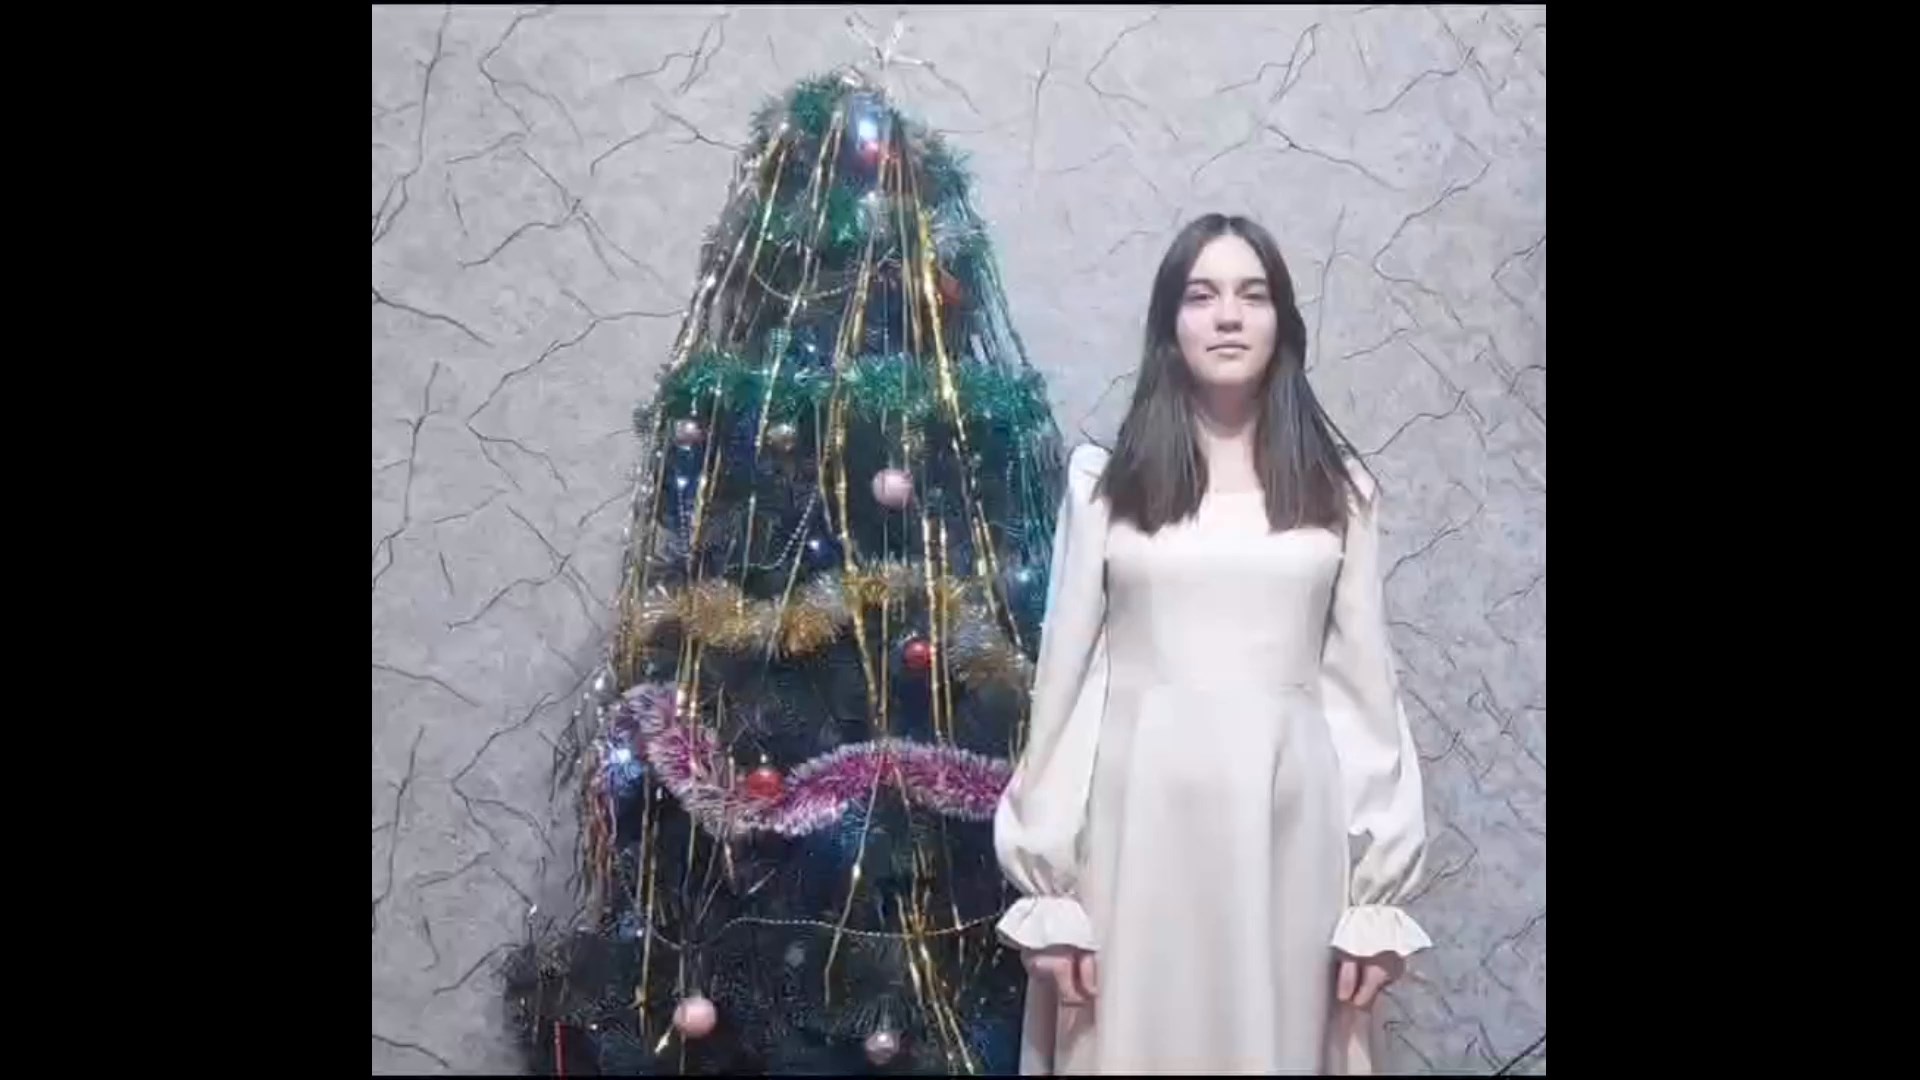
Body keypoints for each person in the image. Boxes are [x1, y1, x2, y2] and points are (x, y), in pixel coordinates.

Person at [992, 213, 1432, 1075]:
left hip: (1287, 836)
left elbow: (1364, 693)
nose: (1228, 315)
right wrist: (1049, 888)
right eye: (1202, 296)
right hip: (1136, 832)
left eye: (1251, 295)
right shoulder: (1104, 488)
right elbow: (1068, 687)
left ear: (1282, 323)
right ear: (1170, 325)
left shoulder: (1339, 493)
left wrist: (1377, 899)